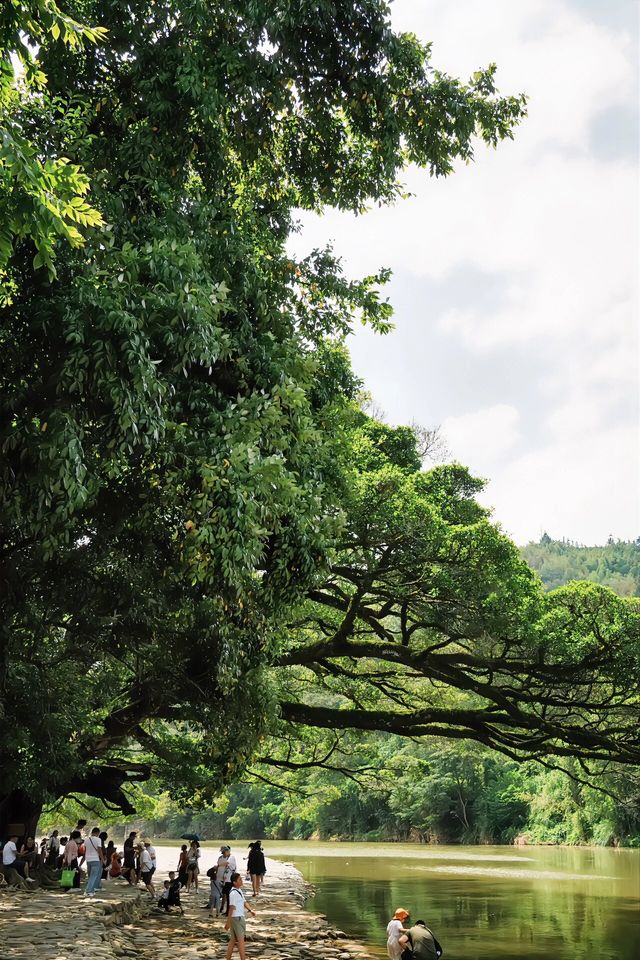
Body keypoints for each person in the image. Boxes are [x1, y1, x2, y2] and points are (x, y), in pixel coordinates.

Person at [225, 872, 256, 960]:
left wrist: (250, 910)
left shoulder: (239, 891)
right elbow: (231, 908)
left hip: (238, 917)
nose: (241, 881)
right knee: (241, 941)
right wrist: (228, 922)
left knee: (233, 940)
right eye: (240, 879)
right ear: (234, 882)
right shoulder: (233, 893)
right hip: (237, 918)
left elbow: (244, 902)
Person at [80, 827, 105, 898]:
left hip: (88, 860)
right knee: (94, 876)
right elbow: (99, 850)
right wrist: (102, 859)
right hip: (95, 859)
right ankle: (88, 891)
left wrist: (82, 861)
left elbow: (85, 850)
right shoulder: (98, 840)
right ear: (97, 833)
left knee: (90, 876)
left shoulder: (86, 840)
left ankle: (91, 890)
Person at [217, 844, 237, 915]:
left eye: (223, 852)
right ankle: (227, 911)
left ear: (227, 851)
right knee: (225, 894)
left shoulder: (231, 857)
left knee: (229, 897)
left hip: (230, 880)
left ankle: (229, 912)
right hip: (227, 880)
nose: (223, 854)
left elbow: (227, 863)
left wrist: (218, 865)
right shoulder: (228, 857)